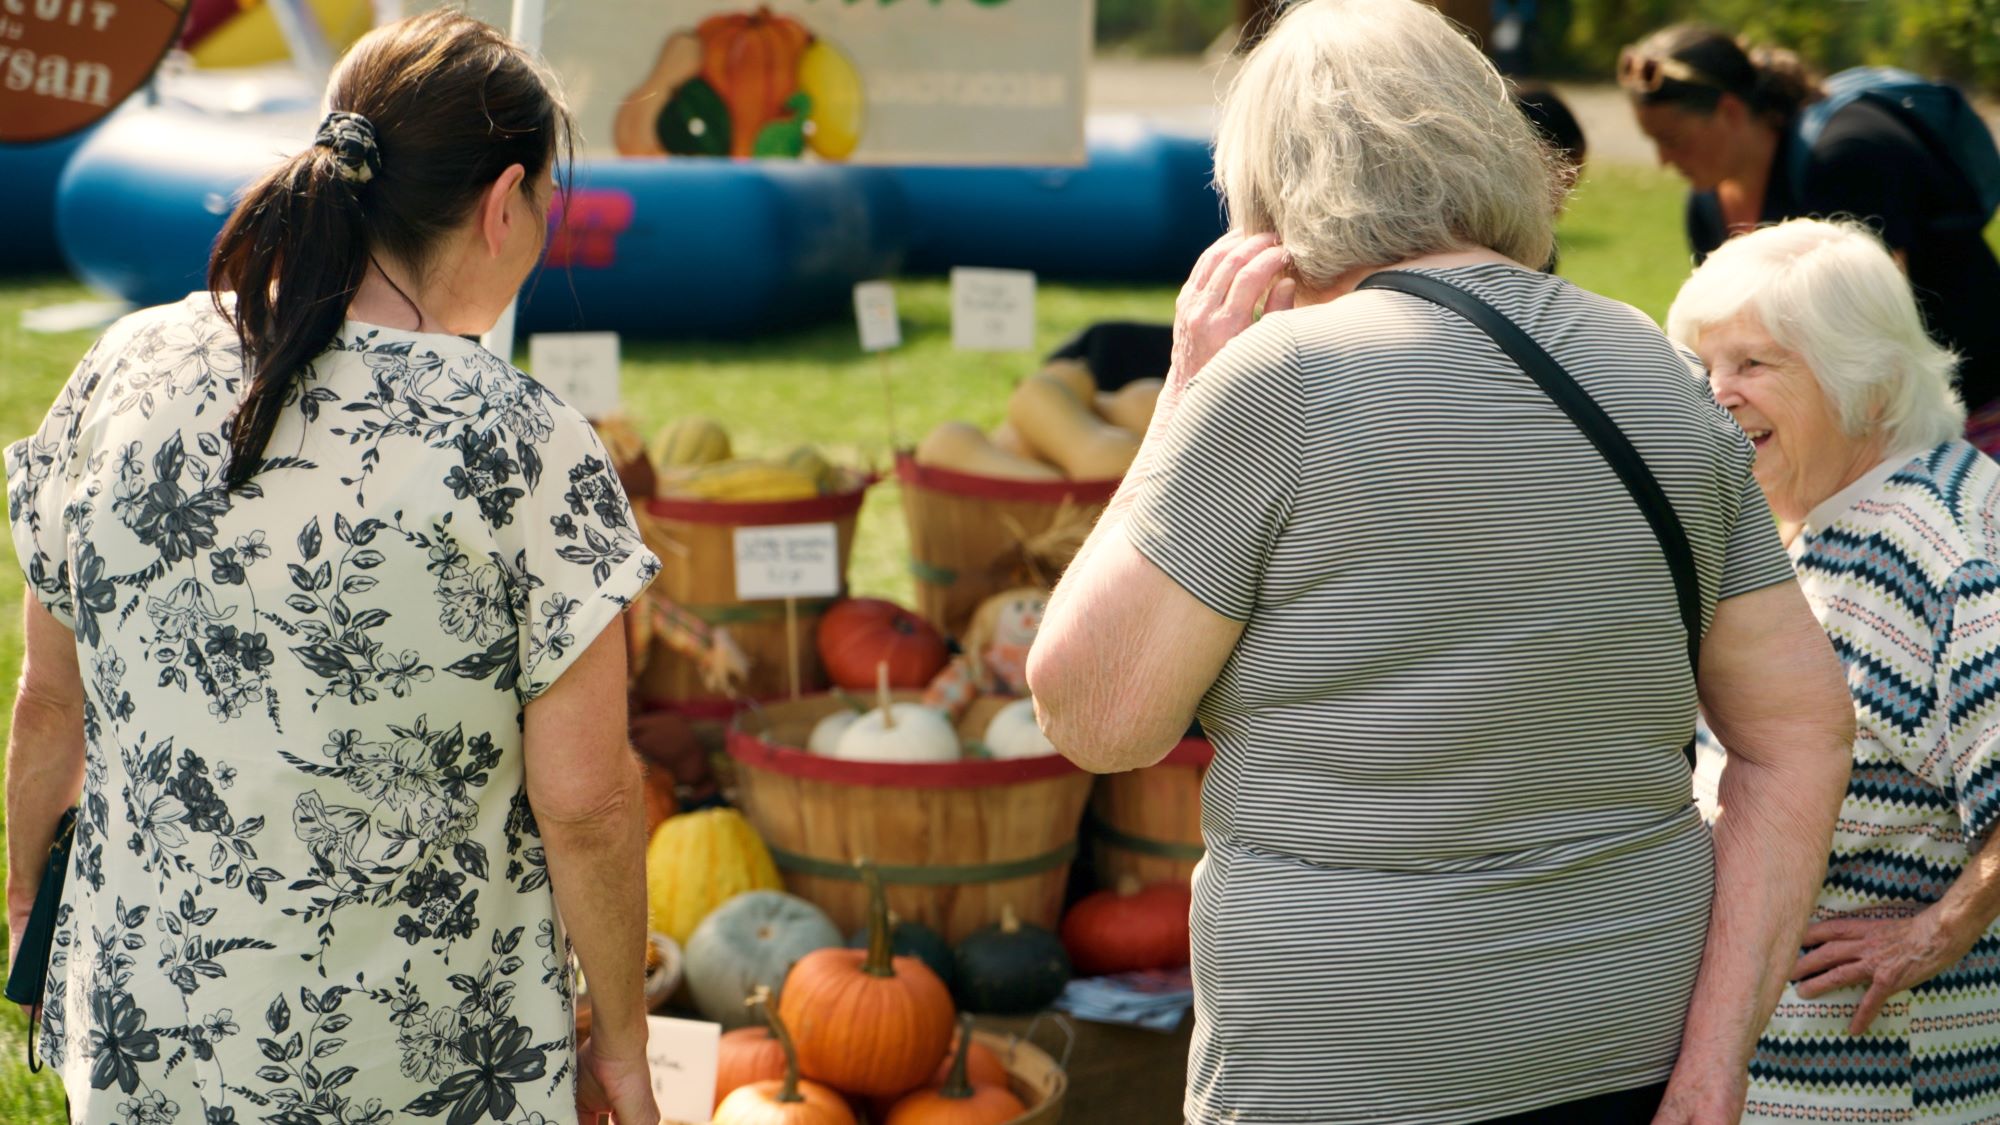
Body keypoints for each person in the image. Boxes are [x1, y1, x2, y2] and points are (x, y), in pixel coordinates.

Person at [1026, 1, 1856, 1121]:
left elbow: (1094, 714)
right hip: (1627, 1050)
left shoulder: (1276, 381)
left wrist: (1183, 395)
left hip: (1343, 1069)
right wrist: (1715, 1064)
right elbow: (1799, 733)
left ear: (1269, 190)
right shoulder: (1651, 362)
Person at [3, 11, 664, 1123]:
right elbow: (587, 802)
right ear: (504, 202)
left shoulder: (124, 366)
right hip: (418, 1065)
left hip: (145, 1038)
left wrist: (28, 890)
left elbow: (48, 703)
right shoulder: (524, 442)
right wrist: (626, 1046)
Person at [1668, 217, 2000, 1123]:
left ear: (1863, 376)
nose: (1717, 394)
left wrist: (1930, 934)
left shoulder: (1940, 549)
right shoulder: (1821, 507)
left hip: (1882, 1079)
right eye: (1704, 363)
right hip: (1786, 1066)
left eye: (1754, 364)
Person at [1620, 25, 2000, 430]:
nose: (1663, 160)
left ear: (1729, 110)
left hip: (1964, 405)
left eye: (1672, 139)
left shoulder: (1846, 158)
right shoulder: (1704, 207)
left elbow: (1880, 338)